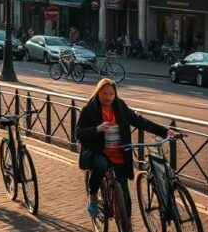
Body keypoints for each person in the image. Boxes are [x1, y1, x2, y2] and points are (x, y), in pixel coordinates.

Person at [76, 78, 178, 220]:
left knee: (124, 194)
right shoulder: (89, 110)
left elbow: (139, 121)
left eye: (111, 94)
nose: (108, 97)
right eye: (104, 93)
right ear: (98, 92)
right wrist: (97, 129)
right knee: (100, 166)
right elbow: (79, 133)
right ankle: (93, 197)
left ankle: (126, 224)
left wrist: (165, 132)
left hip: (119, 155)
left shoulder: (119, 106)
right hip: (99, 152)